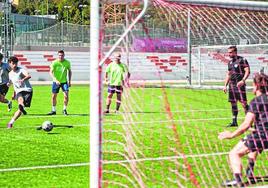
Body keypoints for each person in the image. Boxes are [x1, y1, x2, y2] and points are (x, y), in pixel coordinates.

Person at [219, 72, 268, 187]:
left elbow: (246, 124)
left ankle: (238, 180)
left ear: (256, 86)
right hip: (263, 135)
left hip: (262, 135)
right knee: (253, 147)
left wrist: (231, 135)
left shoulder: (255, 102)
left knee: (234, 153)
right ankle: (249, 172)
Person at [223, 46, 250, 127]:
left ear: (235, 52)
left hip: (240, 86)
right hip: (232, 86)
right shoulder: (230, 63)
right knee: (233, 103)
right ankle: (234, 121)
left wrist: (243, 80)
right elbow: (228, 74)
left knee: (244, 104)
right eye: (228, 52)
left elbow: (247, 71)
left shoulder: (242, 60)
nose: (229, 54)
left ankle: (249, 122)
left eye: (230, 52)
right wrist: (225, 85)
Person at [7, 56, 33, 128]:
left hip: (27, 90)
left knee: (20, 109)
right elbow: (13, 84)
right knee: (20, 101)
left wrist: (23, 79)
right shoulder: (10, 74)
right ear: (10, 64)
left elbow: (29, 76)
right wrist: (13, 93)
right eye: (13, 63)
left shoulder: (21, 70)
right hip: (19, 91)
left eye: (16, 63)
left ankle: (12, 121)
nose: (15, 65)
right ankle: (10, 123)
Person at [47, 50, 72, 115]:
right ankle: (53, 110)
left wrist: (69, 81)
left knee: (66, 95)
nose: (61, 56)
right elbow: (50, 72)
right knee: (53, 96)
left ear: (64, 55)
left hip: (64, 82)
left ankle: (64, 109)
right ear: (58, 55)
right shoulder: (54, 62)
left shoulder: (67, 62)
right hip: (56, 82)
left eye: (62, 55)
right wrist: (55, 80)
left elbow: (69, 71)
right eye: (59, 55)